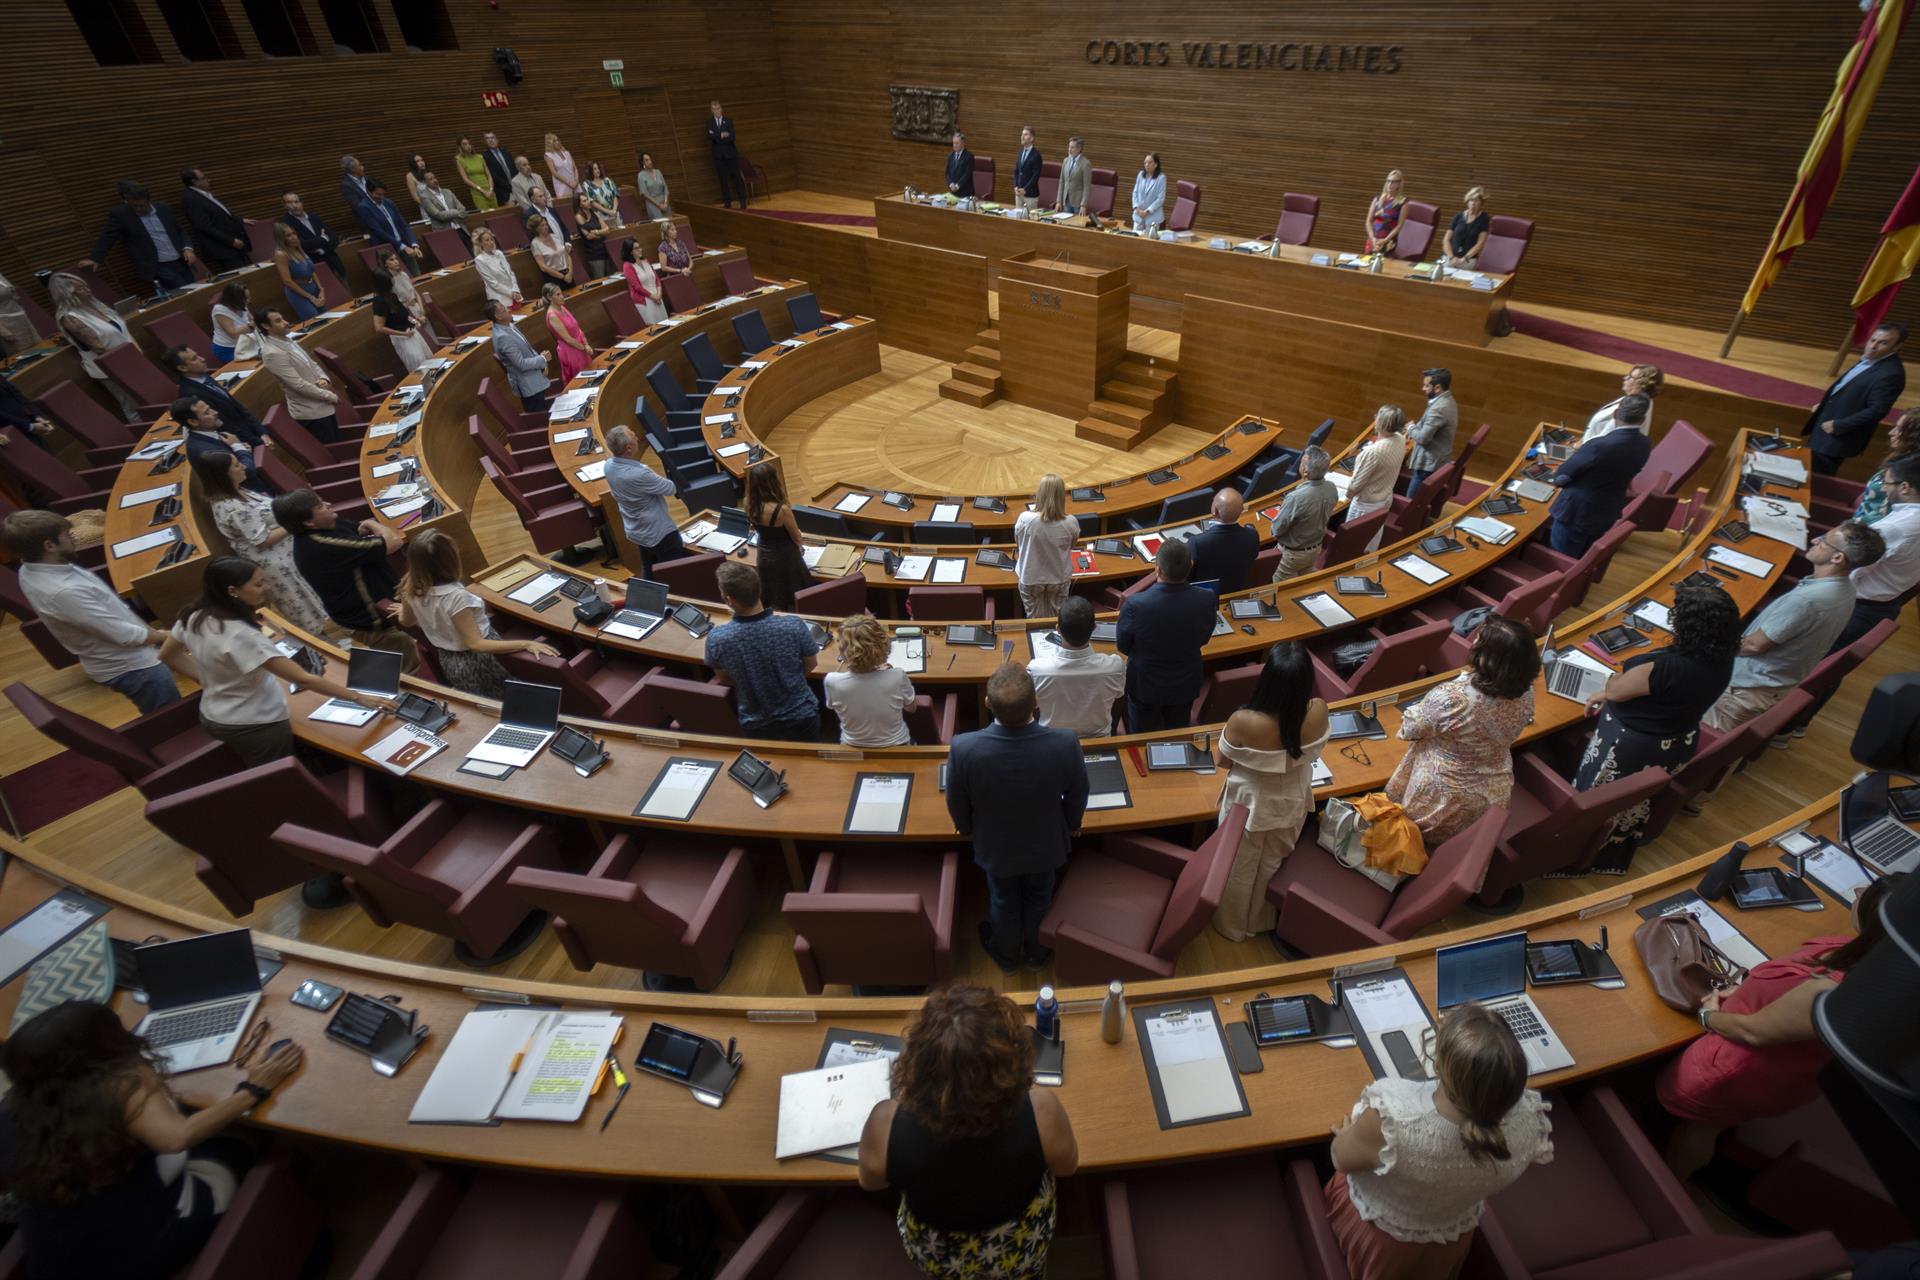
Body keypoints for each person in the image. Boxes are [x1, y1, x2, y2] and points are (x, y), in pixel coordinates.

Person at [0, 1001, 304, 1280]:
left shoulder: (16, 1106)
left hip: (58, 1256)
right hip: (142, 1241)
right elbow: (176, 1139)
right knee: (243, 1138)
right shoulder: (118, 1088)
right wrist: (253, 1090)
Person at [1659, 874, 1903, 1180]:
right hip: (1782, 1067)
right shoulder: (1877, 962)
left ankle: (1672, 1183)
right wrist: (1751, 990)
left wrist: (1708, 1017)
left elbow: (1753, 1032)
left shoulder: (1828, 992)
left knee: (1700, 1127)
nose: (1857, 890)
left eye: (1865, 895)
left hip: (1740, 1069)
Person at [857, 985, 1078, 1279]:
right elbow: (1067, 1167)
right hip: (1021, 1253)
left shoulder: (885, 1123)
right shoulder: (1043, 1113)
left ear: (918, 1063)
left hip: (939, 1260)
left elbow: (870, 1182)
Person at [1327, 1002, 1553, 1280]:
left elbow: (1340, 1158)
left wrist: (1354, 1132)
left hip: (1384, 1243)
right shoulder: (1530, 1122)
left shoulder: (1395, 1119)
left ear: (1442, 1064)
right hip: (1448, 1238)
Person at [1574, 583, 1741, 874]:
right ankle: (1610, 854)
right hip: (1676, 741)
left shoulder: (1663, 667)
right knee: (1634, 804)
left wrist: (1610, 685)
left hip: (1629, 748)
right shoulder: (1723, 657)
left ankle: (1578, 852)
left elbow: (1616, 691)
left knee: (1600, 800)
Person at [161, 557, 380, 764]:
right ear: (232, 591)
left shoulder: (193, 614)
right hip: (255, 725)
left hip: (213, 714)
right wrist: (359, 698)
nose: (266, 588)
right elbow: (304, 679)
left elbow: (168, 655)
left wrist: (211, 680)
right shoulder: (243, 635)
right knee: (280, 778)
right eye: (258, 585)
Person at [947, 664, 1088, 970]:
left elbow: (956, 800)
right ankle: (1038, 953)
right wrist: (1072, 824)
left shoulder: (963, 747)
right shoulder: (1065, 742)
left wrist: (967, 829)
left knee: (1003, 899)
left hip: (996, 847)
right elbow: (1078, 792)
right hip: (1046, 843)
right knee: (1040, 896)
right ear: (1036, 702)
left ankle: (1006, 954)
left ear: (987, 703)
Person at [1703, 522, 1883, 734]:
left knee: (1708, 739)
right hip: (1774, 683)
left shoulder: (1808, 601)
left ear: (1837, 558)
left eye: (1824, 541)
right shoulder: (1847, 590)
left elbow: (1753, 645)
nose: (1815, 540)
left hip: (1742, 691)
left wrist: (1706, 646)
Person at [3, 510, 185, 713]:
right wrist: (170, 636)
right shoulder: (63, 591)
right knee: (174, 716)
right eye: (68, 537)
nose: (74, 540)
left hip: (133, 654)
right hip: (136, 667)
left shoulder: (30, 568)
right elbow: (125, 636)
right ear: (50, 545)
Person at [1212, 641, 1330, 941]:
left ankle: (1232, 926)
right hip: (1293, 799)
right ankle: (1259, 921)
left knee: (1238, 867)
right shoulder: (1318, 710)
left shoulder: (1244, 721)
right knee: (1272, 863)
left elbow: (1223, 761)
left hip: (1248, 802)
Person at [1387, 615, 1538, 844]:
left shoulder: (1454, 698)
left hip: (1445, 798)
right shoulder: (1526, 693)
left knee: (1416, 843)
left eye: (1478, 640)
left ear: (1489, 658)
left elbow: (1410, 729)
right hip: (1493, 791)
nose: (1473, 641)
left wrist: (1422, 706)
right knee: (1459, 847)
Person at [395, 528, 558, 698]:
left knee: (488, 704)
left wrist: (405, 608)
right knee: (513, 698)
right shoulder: (456, 597)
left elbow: (406, 621)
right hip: (480, 663)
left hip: (450, 661)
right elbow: (476, 644)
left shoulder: (411, 586)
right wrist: (526, 644)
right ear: (448, 560)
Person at [274, 488, 419, 670]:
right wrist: (372, 523)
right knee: (404, 662)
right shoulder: (321, 546)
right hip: (369, 617)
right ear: (309, 522)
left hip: (367, 607)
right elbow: (394, 542)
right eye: (320, 506)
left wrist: (367, 527)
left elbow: (358, 529)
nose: (327, 505)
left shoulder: (328, 524)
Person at [191, 450, 330, 637]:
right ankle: (323, 646)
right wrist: (298, 521)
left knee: (314, 600)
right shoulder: (232, 507)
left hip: (287, 556)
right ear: (223, 475)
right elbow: (262, 540)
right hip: (277, 566)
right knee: (303, 610)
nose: (243, 466)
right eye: (236, 465)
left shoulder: (239, 490)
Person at [706, 562, 820, 741]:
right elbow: (811, 664)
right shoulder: (792, 625)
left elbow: (724, 678)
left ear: (728, 599)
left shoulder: (717, 638)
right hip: (801, 716)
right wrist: (790, 680)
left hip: (756, 723)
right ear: (758, 589)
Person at [1116, 538, 1216, 732]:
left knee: (1142, 737)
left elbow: (1123, 646)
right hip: (1185, 682)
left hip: (1145, 684)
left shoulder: (1136, 604)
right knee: (1177, 734)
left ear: (1158, 569)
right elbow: (1204, 638)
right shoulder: (1207, 598)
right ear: (1190, 566)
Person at [1832, 451, 1920, 647]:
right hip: (1884, 604)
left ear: (1905, 487)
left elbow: (1849, 572)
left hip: (1853, 608)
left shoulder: (1894, 528)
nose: (1884, 489)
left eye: (1886, 484)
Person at [1547, 392, 1652, 557]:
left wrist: (1557, 478)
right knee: (1584, 557)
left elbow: (1561, 478)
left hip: (1575, 513)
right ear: (1643, 419)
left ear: (1615, 414)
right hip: (1607, 511)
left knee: (1561, 557)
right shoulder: (1645, 444)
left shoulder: (1598, 445)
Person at [1803, 321, 1907, 477]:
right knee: (1807, 470)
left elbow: (1877, 411)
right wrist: (1825, 406)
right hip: (1825, 428)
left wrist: (1839, 425)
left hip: (1836, 437)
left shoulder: (1891, 374)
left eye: (1883, 343)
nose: (1873, 346)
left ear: (1897, 347)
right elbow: (1849, 389)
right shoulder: (1870, 359)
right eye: (1873, 340)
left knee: (1815, 478)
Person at [48, 272, 142, 421]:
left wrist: (136, 352)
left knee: (145, 395)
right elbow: (99, 348)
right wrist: (127, 361)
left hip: (130, 359)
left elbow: (123, 331)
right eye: (80, 288)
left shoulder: (96, 306)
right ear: (68, 293)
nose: (87, 289)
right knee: (132, 405)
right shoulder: (70, 318)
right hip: (109, 369)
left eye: (85, 285)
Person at [1029, 596, 1125, 738]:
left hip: (1053, 742)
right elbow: (1118, 701)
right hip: (1099, 740)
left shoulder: (1036, 670)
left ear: (1058, 629)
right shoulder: (1116, 666)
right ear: (1094, 627)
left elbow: (1032, 708)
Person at [78, 181, 197, 293]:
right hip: (158, 265)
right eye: (134, 206)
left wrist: (188, 247)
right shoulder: (121, 214)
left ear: (148, 200)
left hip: (180, 260)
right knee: (185, 291)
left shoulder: (163, 208)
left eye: (141, 205)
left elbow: (179, 230)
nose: (138, 209)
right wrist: (95, 259)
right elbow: (107, 237)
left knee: (195, 289)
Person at [253, 307, 342, 444]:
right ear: (265, 326)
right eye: (278, 321)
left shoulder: (288, 341)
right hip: (312, 413)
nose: (285, 322)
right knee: (333, 449)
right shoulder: (272, 353)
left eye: (282, 318)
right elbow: (297, 384)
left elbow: (311, 363)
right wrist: (328, 395)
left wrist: (324, 378)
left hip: (323, 405)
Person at [824, 613, 915, 747]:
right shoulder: (897, 675)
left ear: (843, 650)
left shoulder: (831, 681)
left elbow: (835, 707)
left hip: (852, 747)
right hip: (897, 746)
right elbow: (911, 708)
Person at [603, 424, 681, 572]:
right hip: (659, 532)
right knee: (674, 573)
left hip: (637, 530)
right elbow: (670, 488)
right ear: (629, 448)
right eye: (633, 436)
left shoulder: (608, 466)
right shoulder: (640, 474)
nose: (637, 437)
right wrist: (647, 469)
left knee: (649, 569)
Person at [164, 346, 265, 445]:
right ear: (182, 367)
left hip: (253, 434)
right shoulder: (190, 394)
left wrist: (262, 432)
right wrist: (258, 442)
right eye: (194, 359)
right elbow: (224, 425)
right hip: (244, 442)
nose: (202, 359)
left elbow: (238, 407)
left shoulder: (204, 378)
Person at [743, 460, 809, 610]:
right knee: (794, 591)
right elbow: (796, 537)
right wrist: (800, 546)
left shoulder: (748, 503)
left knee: (773, 592)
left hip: (764, 555)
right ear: (773, 482)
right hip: (786, 557)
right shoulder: (782, 510)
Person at [1013, 473, 1079, 618]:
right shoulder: (1071, 522)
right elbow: (1071, 547)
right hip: (1059, 578)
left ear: (1039, 494)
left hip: (1030, 578)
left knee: (1035, 621)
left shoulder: (1025, 519)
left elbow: (1019, 544)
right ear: (1062, 496)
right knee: (1058, 619)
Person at [174, 395, 268, 496]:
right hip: (252, 494)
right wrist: (239, 448)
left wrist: (242, 450)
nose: (215, 412)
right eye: (207, 413)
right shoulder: (203, 451)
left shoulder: (210, 433)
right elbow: (246, 472)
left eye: (210, 408)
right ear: (193, 421)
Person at [1271, 445, 1339, 581]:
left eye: (1301, 462)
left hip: (1292, 554)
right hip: (1315, 549)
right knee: (1303, 582)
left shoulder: (1296, 498)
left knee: (1279, 586)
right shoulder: (1331, 488)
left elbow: (1276, 530)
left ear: (1306, 471)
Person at [1346, 405, 1409, 551]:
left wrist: (1347, 495)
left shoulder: (1373, 452)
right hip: (1384, 498)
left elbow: (1354, 486)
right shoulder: (1400, 439)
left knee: (1354, 546)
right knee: (1371, 543)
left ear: (1382, 423)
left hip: (1365, 505)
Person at [1849, 409, 1920, 524]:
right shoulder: (1899, 458)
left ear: (1914, 437)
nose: (1891, 433)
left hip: (1866, 531)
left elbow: (1881, 514)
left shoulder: (1910, 470)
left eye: (1899, 429)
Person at [177, 168, 248, 271]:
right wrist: (231, 241)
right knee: (241, 276)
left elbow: (220, 213)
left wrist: (239, 220)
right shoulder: (190, 199)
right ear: (194, 182)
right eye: (204, 178)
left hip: (234, 245)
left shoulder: (203, 194)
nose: (208, 180)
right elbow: (204, 226)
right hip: (224, 248)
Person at [1188, 488, 1259, 591]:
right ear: (1241, 510)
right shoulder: (1253, 535)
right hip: (1235, 589)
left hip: (1203, 595)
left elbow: (1187, 575)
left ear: (1214, 510)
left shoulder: (1197, 543)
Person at [487, 298, 551, 412]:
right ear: (498, 316)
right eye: (503, 308)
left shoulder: (508, 325)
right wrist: (542, 359)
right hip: (530, 387)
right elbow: (520, 364)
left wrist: (543, 365)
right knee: (540, 419)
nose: (507, 308)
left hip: (535, 378)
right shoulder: (503, 337)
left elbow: (528, 348)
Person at [1580, 363, 1664, 444]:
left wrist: (1575, 446)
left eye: (1630, 377)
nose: (1625, 378)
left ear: (1641, 384)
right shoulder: (1639, 401)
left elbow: (1604, 439)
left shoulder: (1633, 407)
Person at [1406, 368, 1456, 495]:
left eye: (1426, 385)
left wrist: (1411, 428)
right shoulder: (1446, 399)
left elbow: (1423, 438)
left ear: (1437, 388)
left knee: (1411, 503)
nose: (1423, 388)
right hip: (1437, 458)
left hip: (1428, 464)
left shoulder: (1439, 408)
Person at [370, 270, 431, 373]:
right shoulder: (379, 301)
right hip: (402, 338)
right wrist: (404, 334)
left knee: (428, 359)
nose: (393, 280)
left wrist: (415, 320)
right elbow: (379, 327)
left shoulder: (392, 296)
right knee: (419, 366)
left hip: (412, 332)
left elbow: (403, 314)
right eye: (390, 279)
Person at [277, 192, 345, 281]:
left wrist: (323, 247)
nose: (294, 205)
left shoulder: (314, 217)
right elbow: (300, 244)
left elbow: (333, 237)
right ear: (285, 206)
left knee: (346, 291)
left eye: (296, 202)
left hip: (334, 262)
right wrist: (323, 239)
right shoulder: (285, 223)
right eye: (289, 203)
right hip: (314, 266)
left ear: (302, 203)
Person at [355, 180, 423, 268]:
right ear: (368, 192)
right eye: (378, 194)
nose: (381, 197)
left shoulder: (388, 202)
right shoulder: (364, 207)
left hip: (404, 245)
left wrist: (414, 244)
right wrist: (402, 246)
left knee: (416, 273)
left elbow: (404, 225)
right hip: (386, 250)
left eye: (383, 194)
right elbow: (378, 231)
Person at [380, 248, 438, 345]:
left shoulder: (404, 274)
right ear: (385, 264)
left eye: (396, 259)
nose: (396, 261)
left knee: (432, 340)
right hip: (407, 314)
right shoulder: (388, 281)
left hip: (417, 309)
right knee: (422, 343)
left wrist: (422, 312)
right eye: (391, 260)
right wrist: (414, 318)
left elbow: (415, 294)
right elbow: (395, 306)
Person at [271, 221, 323, 321]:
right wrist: (310, 297)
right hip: (299, 294)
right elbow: (287, 281)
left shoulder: (298, 247)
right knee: (317, 322)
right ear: (281, 238)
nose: (293, 237)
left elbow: (311, 271)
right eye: (288, 235)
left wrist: (321, 289)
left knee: (328, 318)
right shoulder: (281, 254)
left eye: (294, 233)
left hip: (314, 288)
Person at [543, 282, 592, 385]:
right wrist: (584, 348)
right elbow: (568, 339)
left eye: (561, 293)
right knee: (581, 382)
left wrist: (586, 344)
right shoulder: (552, 316)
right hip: (571, 351)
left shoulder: (562, 307)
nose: (562, 297)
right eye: (558, 295)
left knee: (590, 376)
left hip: (580, 346)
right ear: (549, 297)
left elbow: (577, 328)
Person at [707, 101, 747, 208]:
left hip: (731, 155)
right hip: (718, 156)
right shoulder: (710, 122)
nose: (717, 111)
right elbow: (711, 137)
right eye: (714, 109)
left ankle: (742, 200)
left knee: (736, 178)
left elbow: (732, 137)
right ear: (712, 111)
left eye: (718, 108)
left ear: (721, 109)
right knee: (723, 179)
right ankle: (727, 202)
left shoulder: (728, 121)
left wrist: (718, 137)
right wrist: (722, 135)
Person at [472, 227, 522, 310]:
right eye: (487, 240)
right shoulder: (480, 260)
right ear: (480, 243)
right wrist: (511, 293)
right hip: (500, 299)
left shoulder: (499, 253)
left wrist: (515, 289)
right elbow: (493, 283)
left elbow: (511, 273)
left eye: (492, 239)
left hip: (514, 295)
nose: (491, 242)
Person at [416, 171, 471, 247]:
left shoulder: (447, 191)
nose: (434, 180)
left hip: (460, 228)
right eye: (430, 179)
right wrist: (456, 212)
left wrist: (459, 212)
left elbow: (462, 209)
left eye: (434, 177)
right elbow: (438, 215)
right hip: (445, 231)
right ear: (425, 182)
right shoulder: (425, 197)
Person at [208, 282, 257, 364]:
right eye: (246, 298)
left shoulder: (241, 305)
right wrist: (251, 325)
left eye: (249, 297)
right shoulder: (220, 310)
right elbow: (233, 332)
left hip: (245, 344)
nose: (249, 300)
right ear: (234, 299)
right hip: (228, 349)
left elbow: (252, 319)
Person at [620, 238, 665, 325]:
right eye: (636, 248)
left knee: (665, 324)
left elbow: (657, 279)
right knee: (654, 328)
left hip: (657, 297)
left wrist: (659, 294)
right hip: (645, 301)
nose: (640, 249)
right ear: (630, 251)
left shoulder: (645, 261)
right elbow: (636, 287)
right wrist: (653, 297)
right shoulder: (627, 266)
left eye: (640, 247)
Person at [1442, 187, 1490, 268]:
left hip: (1468, 260)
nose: (1473, 203)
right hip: (1449, 258)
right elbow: (1446, 239)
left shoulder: (1484, 218)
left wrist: (1464, 259)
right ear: (1467, 201)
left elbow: (1480, 243)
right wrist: (1451, 257)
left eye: (1476, 201)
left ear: (1482, 203)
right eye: (1471, 200)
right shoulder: (1458, 216)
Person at [1365, 170, 1407, 254]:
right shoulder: (1377, 199)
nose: (1390, 184)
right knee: (1367, 263)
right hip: (1373, 239)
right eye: (1388, 181)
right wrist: (1373, 238)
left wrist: (1385, 240)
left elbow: (1399, 226)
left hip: (1388, 241)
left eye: (1394, 182)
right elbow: (1368, 221)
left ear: (1399, 184)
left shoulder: (1402, 202)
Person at [0, 270, 41, 354]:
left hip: (22, 317)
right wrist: (3, 331)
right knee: (25, 355)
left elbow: (12, 294)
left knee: (40, 347)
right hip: (7, 324)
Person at [454, 135, 498, 211]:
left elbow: (489, 175)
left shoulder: (479, 157)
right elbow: (465, 180)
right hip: (478, 192)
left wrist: (491, 189)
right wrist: (483, 191)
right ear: (460, 146)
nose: (468, 146)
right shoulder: (459, 159)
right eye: (465, 144)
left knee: (498, 213)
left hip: (489, 190)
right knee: (486, 215)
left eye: (469, 143)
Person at [574, 193, 611, 278]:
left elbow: (607, 229)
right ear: (579, 204)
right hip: (594, 254)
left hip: (604, 250)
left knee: (610, 279)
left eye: (587, 199)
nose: (588, 202)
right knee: (601, 281)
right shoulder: (579, 217)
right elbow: (589, 236)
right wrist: (601, 232)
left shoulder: (594, 213)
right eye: (584, 201)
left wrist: (597, 232)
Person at [529, 214, 573, 288]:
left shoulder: (554, 236)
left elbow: (567, 255)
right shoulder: (535, 243)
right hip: (554, 278)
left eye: (546, 224)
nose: (546, 227)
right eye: (542, 225)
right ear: (536, 229)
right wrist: (562, 277)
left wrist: (570, 272)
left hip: (568, 274)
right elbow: (543, 267)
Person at [1131, 153, 1165, 234]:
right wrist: (1137, 208)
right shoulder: (1140, 175)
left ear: (1156, 164)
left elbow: (1160, 199)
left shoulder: (1161, 178)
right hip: (1138, 215)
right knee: (1135, 241)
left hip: (1153, 217)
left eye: (1150, 162)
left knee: (1150, 244)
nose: (1147, 165)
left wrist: (1147, 211)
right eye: (1145, 162)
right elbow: (1135, 193)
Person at [1054, 135, 1089, 215]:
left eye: (1072, 147)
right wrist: (1058, 201)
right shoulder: (1065, 161)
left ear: (1079, 148)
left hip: (1078, 203)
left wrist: (1083, 205)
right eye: (1069, 147)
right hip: (1066, 201)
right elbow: (1061, 182)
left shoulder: (1085, 164)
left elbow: (1086, 186)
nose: (1069, 150)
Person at [1012, 126, 1043, 212]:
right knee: (1018, 220)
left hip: (1030, 195)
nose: (1022, 136)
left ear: (1032, 138)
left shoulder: (1036, 155)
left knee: (1029, 221)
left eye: (1025, 134)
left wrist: (1025, 189)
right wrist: (1015, 186)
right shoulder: (1020, 152)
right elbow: (1017, 171)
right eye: (1022, 134)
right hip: (1019, 194)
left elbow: (1035, 176)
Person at [481, 131, 515, 207]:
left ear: (497, 139)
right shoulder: (485, 157)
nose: (490, 140)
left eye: (492, 137)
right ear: (485, 142)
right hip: (503, 192)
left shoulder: (506, 152)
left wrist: (515, 185)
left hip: (516, 187)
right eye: (487, 138)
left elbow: (514, 170)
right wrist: (510, 187)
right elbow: (494, 176)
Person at [543, 132, 579, 200]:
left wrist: (576, 181)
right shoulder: (548, 155)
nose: (557, 142)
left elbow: (575, 168)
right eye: (554, 141)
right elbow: (554, 173)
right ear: (550, 143)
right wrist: (569, 183)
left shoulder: (566, 152)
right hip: (562, 184)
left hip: (575, 184)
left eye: (558, 140)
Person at [636, 152, 671, 220]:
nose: (650, 162)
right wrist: (659, 205)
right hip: (653, 205)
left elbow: (665, 188)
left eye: (650, 159)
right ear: (642, 162)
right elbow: (645, 194)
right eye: (646, 160)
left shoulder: (658, 172)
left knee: (670, 225)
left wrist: (666, 203)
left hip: (665, 203)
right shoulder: (641, 175)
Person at [945, 132, 974, 197]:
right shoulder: (951, 155)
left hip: (965, 193)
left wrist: (957, 186)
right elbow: (947, 172)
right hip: (953, 192)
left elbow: (967, 174)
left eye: (957, 143)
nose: (955, 145)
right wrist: (951, 184)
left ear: (963, 143)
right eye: (954, 143)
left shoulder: (969, 156)